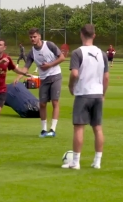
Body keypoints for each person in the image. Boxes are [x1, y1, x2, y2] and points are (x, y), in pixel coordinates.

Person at [62, 24, 109, 170]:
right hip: (97, 94)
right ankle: (97, 162)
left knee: (79, 128)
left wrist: (71, 86)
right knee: (98, 128)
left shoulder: (78, 52)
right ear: (94, 35)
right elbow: (106, 77)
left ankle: (76, 162)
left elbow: (75, 73)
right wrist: (103, 94)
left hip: (83, 94)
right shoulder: (103, 54)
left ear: (81, 34)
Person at [14, 28, 65, 138]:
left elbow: (62, 57)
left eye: (35, 36)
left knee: (55, 102)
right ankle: (43, 130)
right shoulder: (32, 52)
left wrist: (50, 65)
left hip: (56, 76)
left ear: (39, 36)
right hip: (44, 79)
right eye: (31, 37)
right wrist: (18, 76)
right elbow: (26, 68)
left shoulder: (49, 45)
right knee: (42, 104)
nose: (32, 39)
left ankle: (53, 129)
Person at [0, 38, 32, 140]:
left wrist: (24, 73)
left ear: (4, 47)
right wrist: (0, 62)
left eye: (0, 45)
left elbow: (15, 69)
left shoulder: (7, 58)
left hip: (1, 90)